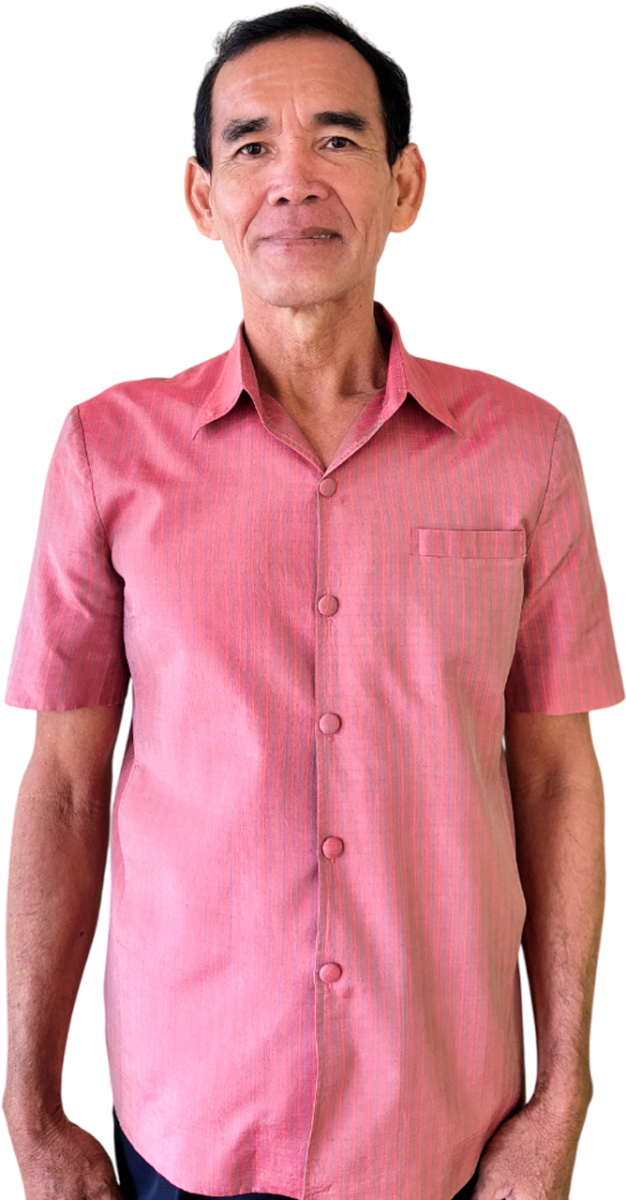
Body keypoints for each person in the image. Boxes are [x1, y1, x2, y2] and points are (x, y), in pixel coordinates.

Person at [1, 3, 623, 1198]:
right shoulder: (105, 451)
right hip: (183, 1120)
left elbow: (555, 776)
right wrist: (32, 1110)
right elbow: (65, 786)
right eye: (251, 146)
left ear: (405, 187)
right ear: (201, 200)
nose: (293, 178)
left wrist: (561, 1097)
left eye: (337, 139)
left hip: (450, 1125)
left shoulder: (526, 448)